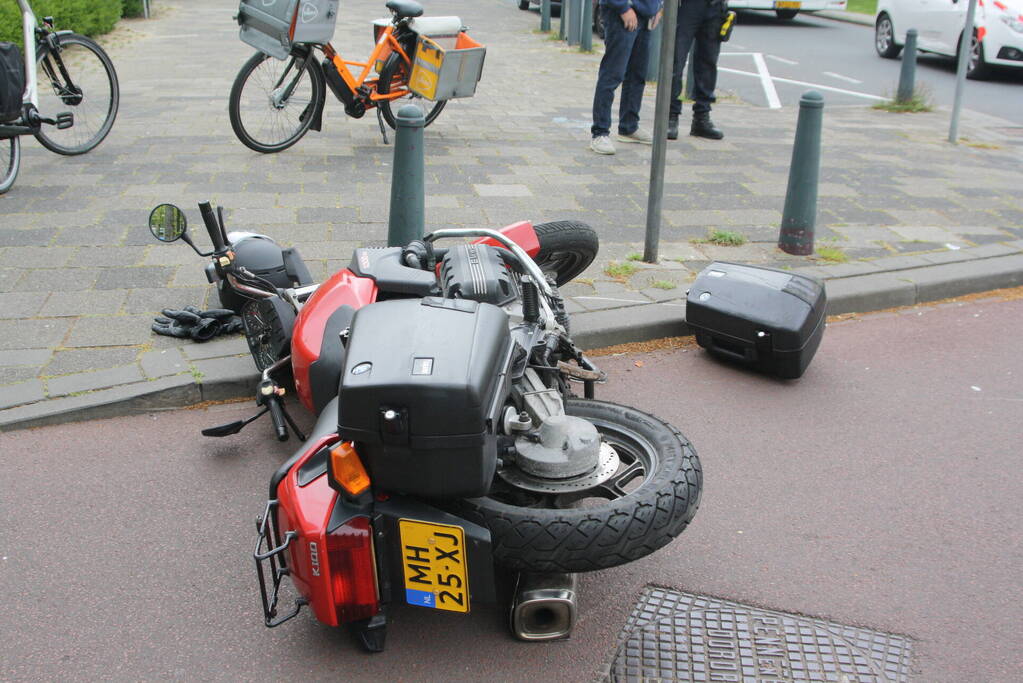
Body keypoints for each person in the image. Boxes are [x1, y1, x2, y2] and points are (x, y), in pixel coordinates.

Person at [590, 0, 664, 155]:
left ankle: (629, 127)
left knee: (637, 75)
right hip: (621, 12)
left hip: (646, 14)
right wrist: (623, 7)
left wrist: (659, 6)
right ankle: (600, 132)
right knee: (612, 74)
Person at [667, 0, 727, 140]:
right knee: (675, 62)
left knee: (708, 63)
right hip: (688, 5)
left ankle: (701, 117)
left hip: (715, 6)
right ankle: (670, 116)